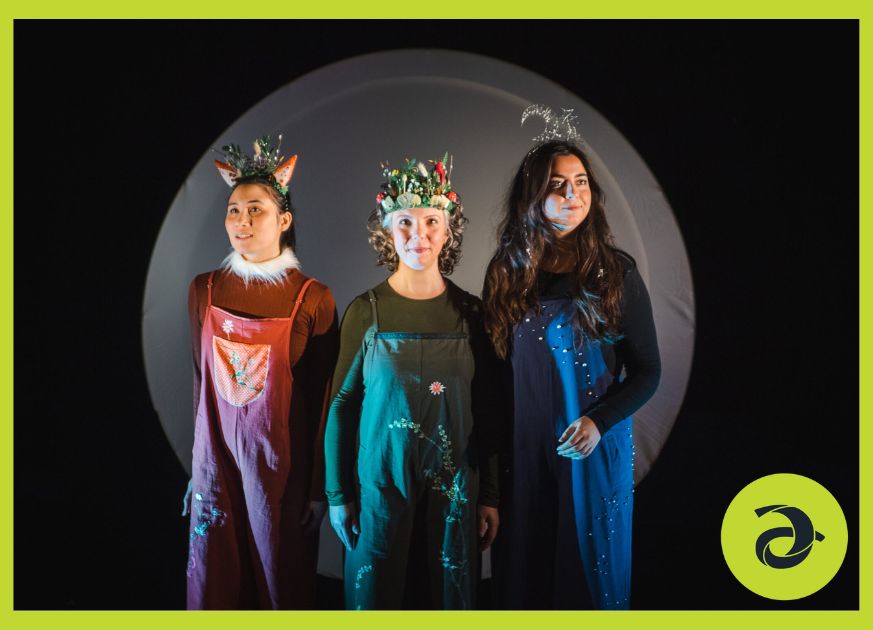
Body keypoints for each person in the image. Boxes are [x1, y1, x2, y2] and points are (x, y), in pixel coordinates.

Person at [484, 140, 661, 610]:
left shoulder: (616, 274)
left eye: (580, 183)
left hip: (592, 455)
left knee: (585, 582)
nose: (572, 195)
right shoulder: (506, 273)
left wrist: (598, 422)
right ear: (532, 196)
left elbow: (648, 371)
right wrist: (491, 484)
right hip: (524, 461)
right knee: (527, 580)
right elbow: (496, 384)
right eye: (557, 185)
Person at [324, 155, 501, 610]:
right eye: (404, 221)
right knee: (373, 591)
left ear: (448, 231)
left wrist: (490, 495)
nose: (417, 234)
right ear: (386, 231)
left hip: (456, 479)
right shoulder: (366, 310)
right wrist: (338, 494)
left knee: (452, 591)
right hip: (379, 479)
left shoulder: (473, 313)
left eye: (431, 222)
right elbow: (342, 406)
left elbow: (487, 408)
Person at [182, 136, 339, 609]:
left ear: (284, 221)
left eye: (256, 210)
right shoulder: (203, 289)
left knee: (280, 585)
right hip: (218, 469)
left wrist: (318, 490)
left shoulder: (312, 298)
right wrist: (197, 470)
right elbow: (200, 382)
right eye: (234, 210)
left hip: (281, 475)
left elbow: (323, 399)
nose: (242, 221)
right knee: (217, 579)